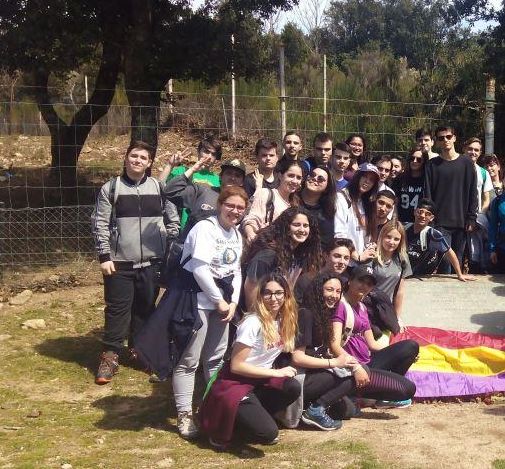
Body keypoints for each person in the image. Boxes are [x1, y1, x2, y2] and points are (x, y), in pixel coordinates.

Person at [92, 141, 179, 384]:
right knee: (117, 310)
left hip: (152, 262)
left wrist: (166, 247)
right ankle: (110, 356)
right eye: (134, 156)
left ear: (149, 163)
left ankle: (139, 350)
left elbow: (172, 220)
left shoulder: (159, 188)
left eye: (143, 157)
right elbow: (99, 223)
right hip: (119, 262)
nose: (137, 160)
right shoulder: (111, 188)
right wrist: (104, 256)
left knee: (145, 308)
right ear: (126, 158)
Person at [294, 272, 415, 429]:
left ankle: (345, 396)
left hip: (343, 367)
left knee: (349, 410)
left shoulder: (350, 309)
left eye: (337, 291)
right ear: (350, 282)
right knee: (402, 388)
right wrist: (346, 365)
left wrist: (397, 353)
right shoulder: (311, 313)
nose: (334, 295)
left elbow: (372, 344)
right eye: (329, 290)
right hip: (321, 373)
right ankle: (316, 409)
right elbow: (305, 355)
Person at [171, 186, 246, 439]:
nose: (235, 211)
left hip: (222, 305)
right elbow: (200, 269)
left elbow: (236, 271)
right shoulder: (205, 228)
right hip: (197, 302)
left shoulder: (235, 233)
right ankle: (184, 414)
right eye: (230, 205)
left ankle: (211, 408)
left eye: (240, 208)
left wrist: (233, 302)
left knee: (215, 359)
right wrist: (218, 300)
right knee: (189, 360)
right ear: (220, 205)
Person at [200, 272, 304, 448]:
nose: (273, 298)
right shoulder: (253, 323)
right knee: (268, 434)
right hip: (235, 382)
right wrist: (275, 372)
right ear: (260, 296)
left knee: (292, 387)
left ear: (286, 295)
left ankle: (254, 418)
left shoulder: (284, 320)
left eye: (279, 293)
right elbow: (236, 366)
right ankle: (227, 427)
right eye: (268, 293)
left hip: (259, 381)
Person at [331, 263, 420, 403]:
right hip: (352, 368)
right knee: (407, 389)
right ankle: (358, 394)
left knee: (411, 347)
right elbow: (334, 345)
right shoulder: (341, 306)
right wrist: (356, 367)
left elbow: (372, 344)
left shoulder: (362, 307)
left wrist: (401, 354)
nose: (364, 286)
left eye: (369, 284)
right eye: (361, 280)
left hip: (368, 362)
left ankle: (371, 395)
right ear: (350, 281)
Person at [240, 207, 320, 312]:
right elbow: (251, 290)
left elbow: (289, 288)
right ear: (286, 228)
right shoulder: (266, 255)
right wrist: (256, 316)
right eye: (296, 225)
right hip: (257, 313)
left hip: (277, 313)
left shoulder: (299, 255)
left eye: (305, 226)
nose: (302, 230)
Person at [423, 124, 478, 272]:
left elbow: (473, 192)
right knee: (445, 263)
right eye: (441, 138)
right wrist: (430, 220)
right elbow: (428, 195)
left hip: (461, 222)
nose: (445, 140)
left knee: (457, 263)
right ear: (437, 141)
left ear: (454, 138)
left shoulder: (467, 163)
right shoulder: (432, 165)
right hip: (440, 223)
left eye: (448, 136)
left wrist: (471, 218)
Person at [165, 154, 246, 234]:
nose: (232, 178)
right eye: (228, 173)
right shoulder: (203, 190)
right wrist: (192, 170)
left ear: (242, 182)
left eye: (237, 175)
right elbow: (170, 191)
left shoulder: (242, 205)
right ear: (220, 176)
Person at [404, 199, 474, 280]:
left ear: (431, 218)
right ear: (415, 212)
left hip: (422, 274)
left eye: (427, 214)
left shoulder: (433, 234)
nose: (422, 216)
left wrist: (460, 275)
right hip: (405, 271)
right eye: (420, 212)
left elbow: (450, 252)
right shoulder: (404, 228)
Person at [242, 159, 302, 244]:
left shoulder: (296, 205)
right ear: (280, 176)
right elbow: (252, 219)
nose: (295, 181)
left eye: (298, 177)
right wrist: (250, 234)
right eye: (291, 176)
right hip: (263, 247)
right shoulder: (266, 194)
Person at [334, 163, 382, 262]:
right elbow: (340, 235)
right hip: (346, 261)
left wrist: (370, 246)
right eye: (364, 176)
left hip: (362, 261)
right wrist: (357, 257)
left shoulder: (367, 202)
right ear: (357, 176)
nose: (367, 181)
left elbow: (367, 234)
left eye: (372, 180)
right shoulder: (342, 197)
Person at [372, 219, 413, 331]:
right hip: (369, 306)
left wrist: (397, 317)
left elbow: (399, 292)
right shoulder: (372, 256)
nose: (391, 242)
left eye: (396, 239)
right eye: (388, 237)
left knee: (395, 331)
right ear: (381, 236)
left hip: (386, 308)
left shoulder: (402, 259)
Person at [463, 137, 494, 272]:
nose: (473, 152)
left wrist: (478, 217)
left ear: (480, 152)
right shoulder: (456, 168)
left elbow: (487, 198)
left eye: (476, 150)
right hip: (458, 219)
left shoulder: (483, 172)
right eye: (470, 149)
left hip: (476, 220)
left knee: (475, 257)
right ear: (464, 149)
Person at [295, 163, 336, 244]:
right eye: (312, 175)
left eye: (320, 179)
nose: (314, 178)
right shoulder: (290, 198)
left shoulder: (325, 214)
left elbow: (325, 242)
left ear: (326, 188)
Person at [395, 148, 427, 225]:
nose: (414, 161)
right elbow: (395, 201)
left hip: (420, 223)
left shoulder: (427, 180)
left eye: (419, 159)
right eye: (412, 158)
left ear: (424, 162)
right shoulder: (400, 178)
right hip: (401, 222)